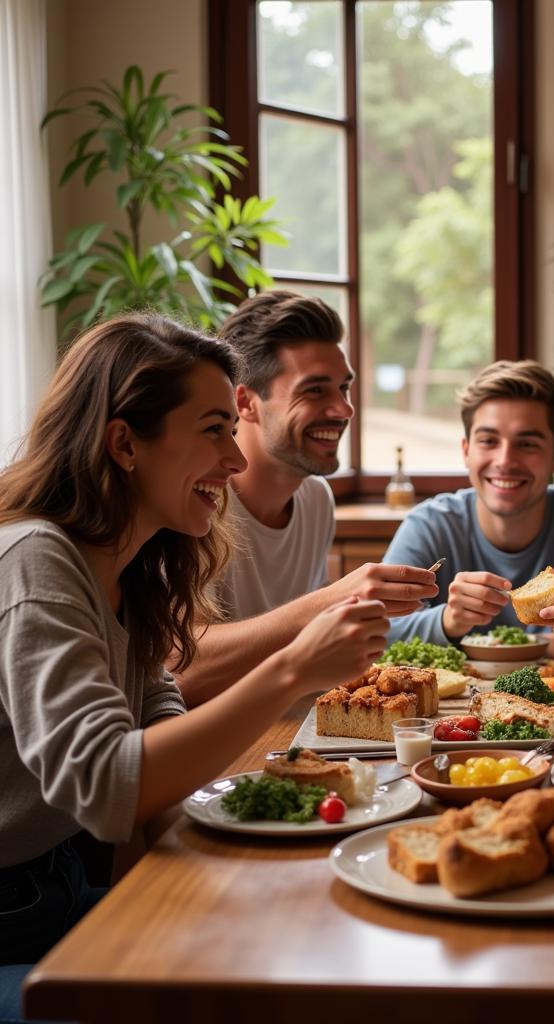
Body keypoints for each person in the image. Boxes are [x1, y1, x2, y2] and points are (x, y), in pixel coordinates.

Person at [0, 314, 389, 1020]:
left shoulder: (137, 565)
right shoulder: (35, 558)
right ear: (124, 442)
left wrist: (234, 860)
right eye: (214, 429)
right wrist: (292, 670)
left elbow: (161, 735)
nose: (235, 460)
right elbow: (107, 784)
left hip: (61, 880)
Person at [172, 291, 437, 706]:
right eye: (314, 391)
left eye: (344, 388)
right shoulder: (196, 502)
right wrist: (331, 601)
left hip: (290, 731)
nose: (344, 409)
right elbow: (181, 670)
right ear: (245, 403)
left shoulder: (316, 499)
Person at [382, 360, 554, 663]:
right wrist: (449, 621)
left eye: (527, 443)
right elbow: (380, 631)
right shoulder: (429, 524)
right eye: (488, 441)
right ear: (466, 450)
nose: (505, 460)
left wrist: (505, 644)